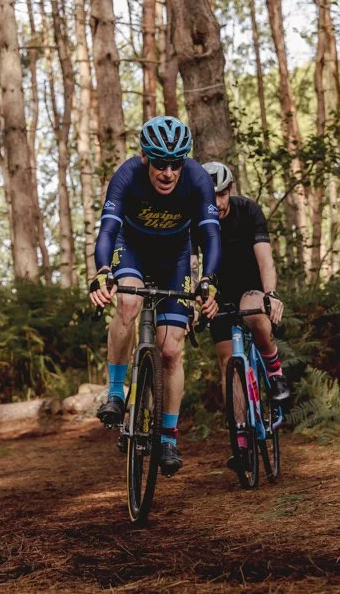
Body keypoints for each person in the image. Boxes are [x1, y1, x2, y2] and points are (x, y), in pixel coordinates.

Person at [88, 115, 221, 477]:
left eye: (175, 163)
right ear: (145, 158)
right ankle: (116, 392)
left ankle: (169, 438)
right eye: (160, 163)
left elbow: (210, 235)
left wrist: (208, 280)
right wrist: (103, 272)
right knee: (129, 303)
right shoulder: (127, 175)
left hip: (175, 257)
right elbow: (108, 229)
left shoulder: (196, 180)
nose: (167, 172)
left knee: (171, 350)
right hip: (130, 248)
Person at [199, 162, 290, 418]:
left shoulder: (249, 211)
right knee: (228, 363)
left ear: (230, 190)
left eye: (222, 194)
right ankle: (240, 440)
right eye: (209, 196)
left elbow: (265, 260)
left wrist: (270, 293)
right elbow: (192, 263)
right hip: (217, 293)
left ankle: (275, 373)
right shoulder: (196, 219)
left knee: (256, 314)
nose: (216, 202)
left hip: (249, 287)